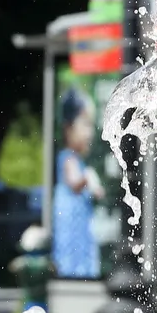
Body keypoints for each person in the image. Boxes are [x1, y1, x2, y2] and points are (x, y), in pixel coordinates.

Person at [52, 89, 105, 279]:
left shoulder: (76, 160)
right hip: (71, 227)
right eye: (85, 125)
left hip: (79, 225)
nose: (89, 133)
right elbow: (74, 182)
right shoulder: (68, 159)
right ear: (68, 128)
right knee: (73, 260)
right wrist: (88, 178)